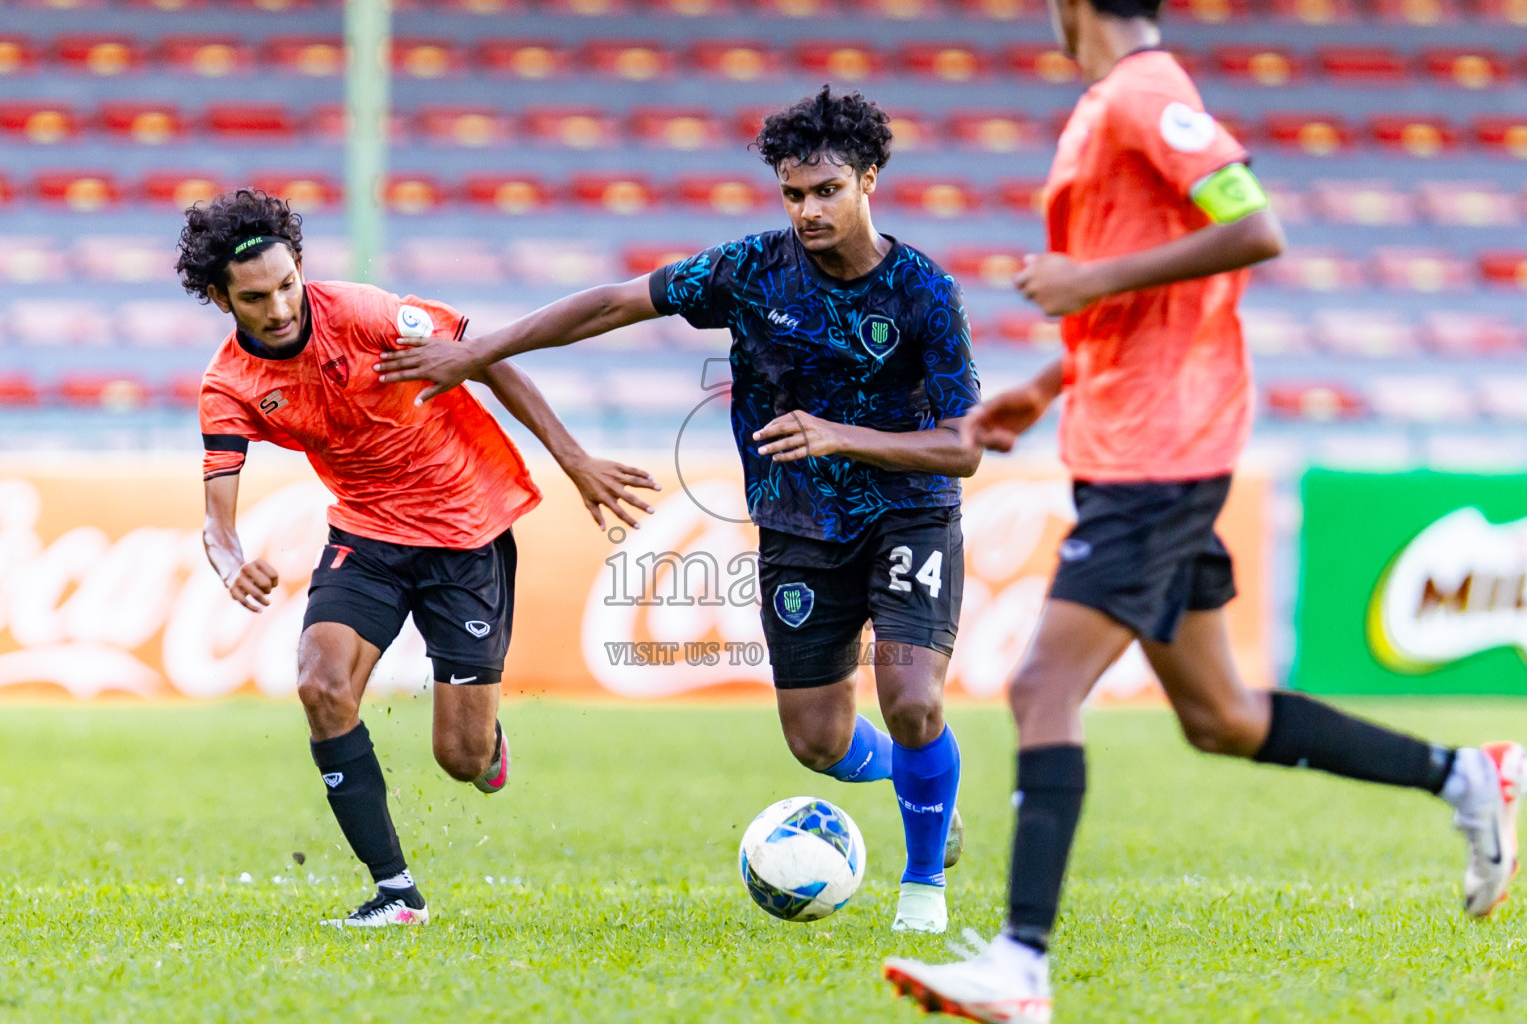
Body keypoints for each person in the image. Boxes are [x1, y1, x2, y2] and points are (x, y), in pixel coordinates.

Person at [879, 0, 1524, 1018]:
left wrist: (1089, 276)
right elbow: (1150, 301)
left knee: (1044, 682)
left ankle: (1021, 963)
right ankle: (1465, 775)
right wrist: (1049, 385)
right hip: (1131, 434)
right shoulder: (1115, 102)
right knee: (1222, 716)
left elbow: (1253, 226)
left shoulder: (1148, 92)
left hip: (1162, 451)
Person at [375, 87, 981, 933]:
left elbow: (963, 446)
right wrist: (482, 349)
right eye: (793, 193)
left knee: (913, 700)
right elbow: (612, 303)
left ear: (869, 179)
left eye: (827, 191)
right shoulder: (751, 270)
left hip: (910, 512)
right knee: (816, 740)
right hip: (798, 526)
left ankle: (924, 890)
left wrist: (839, 435)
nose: (808, 210)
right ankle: (919, 784)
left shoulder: (923, 292)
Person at [179, 189, 658, 927]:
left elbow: (487, 357)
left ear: (300, 268)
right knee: (320, 684)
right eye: (254, 298)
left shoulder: (367, 314)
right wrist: (230, 555)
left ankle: (485, 742)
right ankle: (396, 894)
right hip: (367, 534)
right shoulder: (229, 386)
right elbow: (217, 521)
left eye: (285, 286)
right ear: (219, 299)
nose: (278, 308)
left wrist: (575, 460)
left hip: (466, 527)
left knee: (461, 760)